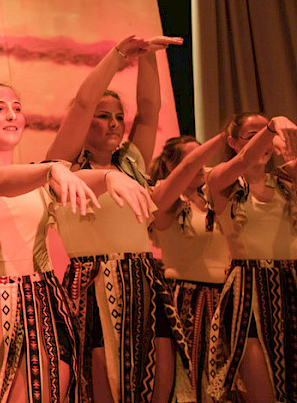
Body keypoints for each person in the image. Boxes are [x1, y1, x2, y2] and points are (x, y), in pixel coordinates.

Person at [0, 82, 155, 403]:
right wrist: (52, 170)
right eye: (0, 109)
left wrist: (110, 176)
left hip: (40, 303)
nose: (12, 115)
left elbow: (73, 179)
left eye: (17, 109)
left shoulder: (39, 177)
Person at [44, 35, 185, 403]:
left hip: (144, 280)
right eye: (103, 116)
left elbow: (150, 110)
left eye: (119, 117)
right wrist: (119, 54)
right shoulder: (62, 168)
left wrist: (150, 55)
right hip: (91, 284)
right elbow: (82, 103)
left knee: (157, 384)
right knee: (100, 387)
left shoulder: (131, 163)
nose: (115, 124)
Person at [204, 112, 297, 403]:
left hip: (290, 283)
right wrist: (271, 127)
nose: (263, 143)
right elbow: (245, 160)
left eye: (267, 136)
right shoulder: (221, 181)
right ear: (232, 142)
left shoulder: (286, 181)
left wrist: (288, 146)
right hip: (249, 290)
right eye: (252, 136)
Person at [147, 132, 231, 403]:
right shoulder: (164, 200)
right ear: (171, 165)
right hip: (184, 299)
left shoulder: (215, 197)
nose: (201, 165)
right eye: (194, 159)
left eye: (203, 158)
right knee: (188, 380)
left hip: (224, 298)